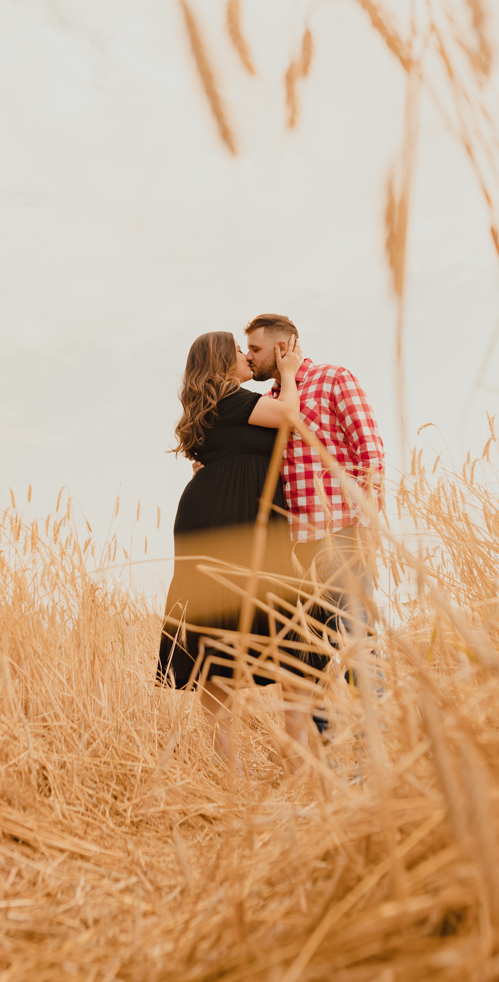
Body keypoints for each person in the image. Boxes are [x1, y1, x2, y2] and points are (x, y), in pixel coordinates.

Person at [156, 330, 309, 767]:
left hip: (219, 511)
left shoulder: (214, 405)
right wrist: (290, 373)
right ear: (223, 362)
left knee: (223, 640)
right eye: (239, 351)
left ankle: (240, 765)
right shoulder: (230, 398)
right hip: (234, 516)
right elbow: (288, 416)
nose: (246, 356)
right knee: (277, 628)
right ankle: (258, 762)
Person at [244, 313, 386, 731]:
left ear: (283, 347)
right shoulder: (272, 401)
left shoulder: (334, 379)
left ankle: (373, 753)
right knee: (314, 657)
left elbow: (371, 453)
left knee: (358, 645)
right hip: (297, 548)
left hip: (342, 534)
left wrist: (365, 528)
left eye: (255, 349)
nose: (249, 357)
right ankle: (328, 762)